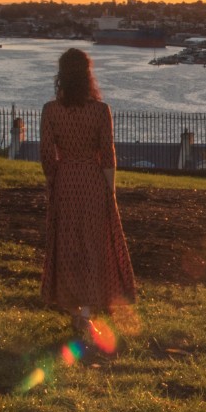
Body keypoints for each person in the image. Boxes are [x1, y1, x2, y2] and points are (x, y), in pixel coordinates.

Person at [40, 47, 136, 343]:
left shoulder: (51, 110)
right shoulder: (100, 110)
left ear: (61, 76)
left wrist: (54, 182)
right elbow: (108, 156)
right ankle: (85, 314)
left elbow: (46, 156)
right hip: (93, 182)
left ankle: (75, 312)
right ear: (87, 74)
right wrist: (111, 190)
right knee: (94, 246)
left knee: (69, 244)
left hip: (66, 180)